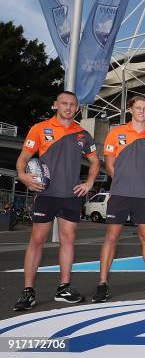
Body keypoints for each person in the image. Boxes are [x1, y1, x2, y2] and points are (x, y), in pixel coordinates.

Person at [13, 91, 100, 311]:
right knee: (37, 241)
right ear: (55, 105)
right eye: (64, 103)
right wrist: (23, 176)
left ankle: (64, 288)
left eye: (72, 104)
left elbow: (95, 161)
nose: (68, 108)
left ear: (77, 108)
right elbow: (23, 157)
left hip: (71, 195)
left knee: (68, 240)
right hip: (46, 193)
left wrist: (89, 183)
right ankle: (28, 292)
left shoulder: (82, 134)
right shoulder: (40, 129)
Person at [92, 96, 145, 302]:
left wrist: (142, 182)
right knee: (111, 237)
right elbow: (110, 166)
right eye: (138, 107)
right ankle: (102, 283)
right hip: (120, 193)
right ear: (130, 109)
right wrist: (125, 181)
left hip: (144, 195)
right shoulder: (115, 134)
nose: (142, 111)